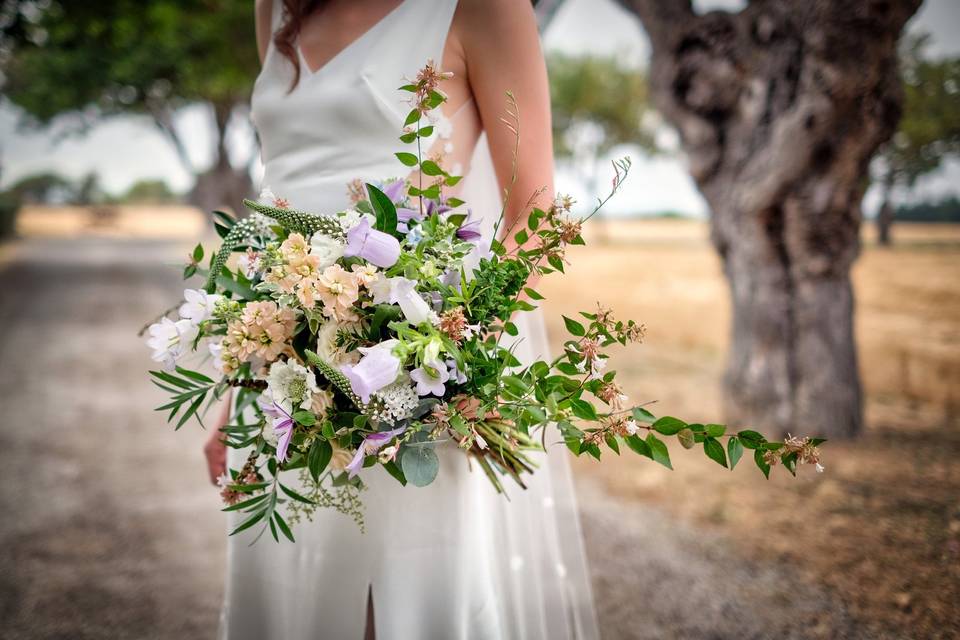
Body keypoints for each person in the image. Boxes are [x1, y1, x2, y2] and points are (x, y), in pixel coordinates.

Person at [204, 1, 600, 637]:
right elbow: (282, 196)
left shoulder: (485, 8)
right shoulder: (275, 7)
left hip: (409, 369)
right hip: (279, 378)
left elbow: (534, 208)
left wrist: (448, 345)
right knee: (285, 591)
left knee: (404, 599)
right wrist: (237, 385)